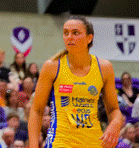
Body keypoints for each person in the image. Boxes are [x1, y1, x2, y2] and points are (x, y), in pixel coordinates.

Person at [28, 16, 124, 148]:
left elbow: (113, 109)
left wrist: (116, 122)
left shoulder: (104, 67)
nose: (69, 37)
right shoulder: (52, 66)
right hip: (60, 141)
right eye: (66, 33)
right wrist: (33, 145)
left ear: (89, 38)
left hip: (93, 141)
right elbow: (37, 110)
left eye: (75, 33)